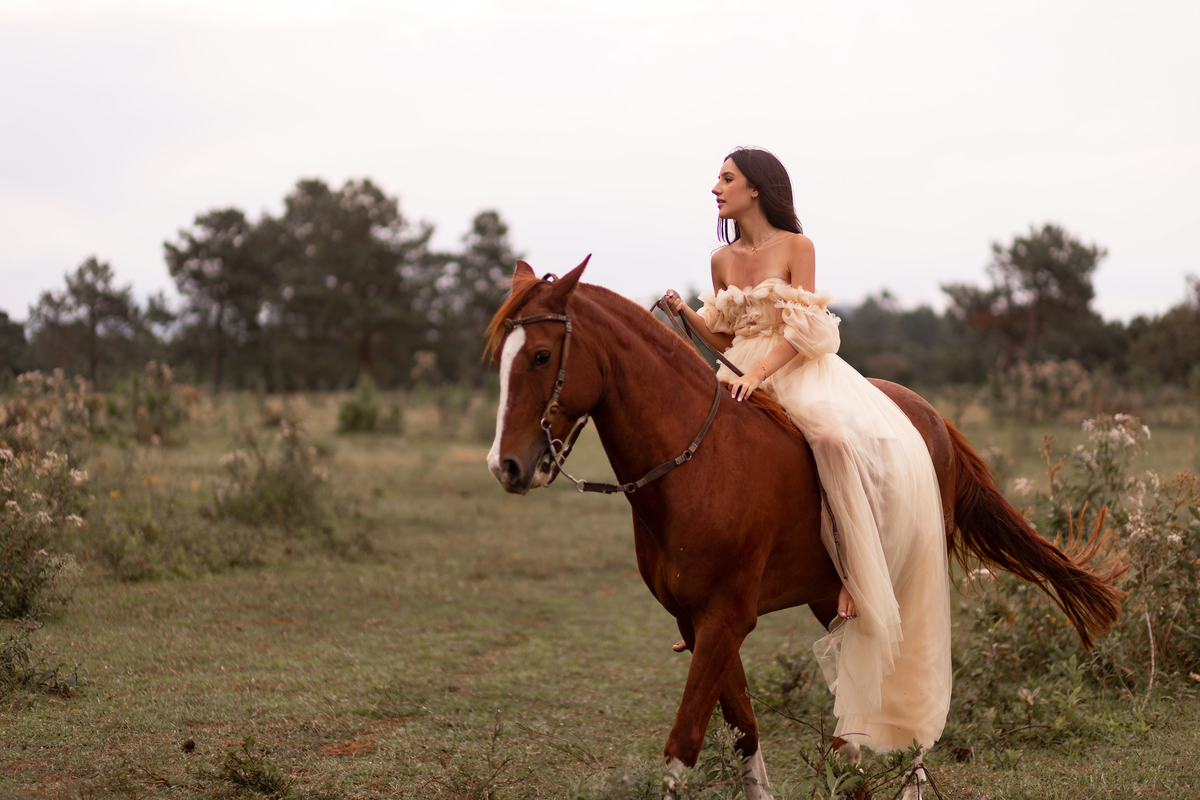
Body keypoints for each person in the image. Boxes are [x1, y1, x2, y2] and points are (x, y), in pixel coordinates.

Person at [663, 147, 952, 755]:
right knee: (690, 459)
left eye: (726, 178)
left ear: (757, 189)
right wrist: (685, 313)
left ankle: (852, 568)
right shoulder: (720, 260)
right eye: (718, 178)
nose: (715, 188)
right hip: (737, 369)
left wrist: (761, 374)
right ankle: (698, 595)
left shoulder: (798, 247)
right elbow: (724, 335)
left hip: (794, 367)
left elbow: (803, 329)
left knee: (831, 437)